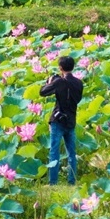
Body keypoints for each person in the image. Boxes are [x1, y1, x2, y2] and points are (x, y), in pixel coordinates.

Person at [41, 56, 84, 185]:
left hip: (58, 121)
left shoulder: (59, 82)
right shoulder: (79, 83)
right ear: (73, 67)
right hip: (71, 121)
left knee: (54, 151)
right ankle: (72, 181)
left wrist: (50, 82)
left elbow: (43, 92)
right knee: (71, 153)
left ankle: (53, 182)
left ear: (60, 68)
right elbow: (76, 99)